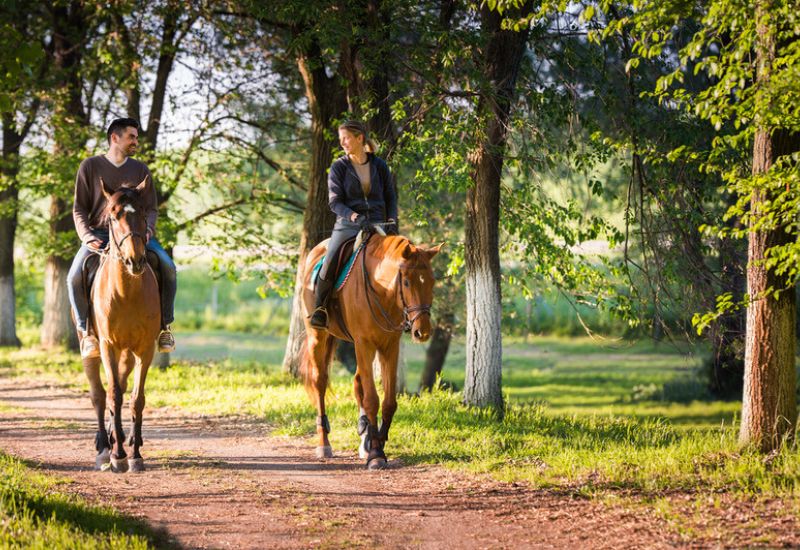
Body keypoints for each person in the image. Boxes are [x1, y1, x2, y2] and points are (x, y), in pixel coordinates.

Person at [68, 118, 177, 359]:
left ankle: (165, 328)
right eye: (132, 137)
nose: (136, 142)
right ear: (114, 138)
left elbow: (151, 209)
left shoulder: (141, 170)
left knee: (168, 268)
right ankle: (87, 333)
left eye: (136, 137)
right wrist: (86, 237)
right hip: (99, 234)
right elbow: (79, 209)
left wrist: (147, 231)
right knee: (74, 277)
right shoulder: (89, 167)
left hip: (137, 235)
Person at [309, 120, 399, 329]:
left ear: (360, 138)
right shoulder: (339, 167)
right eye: (341, 140)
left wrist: (392, 219)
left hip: (380, 223)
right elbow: (334, 202)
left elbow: (390, 196)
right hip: (348, 224)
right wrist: (356, 218)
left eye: (346, 138)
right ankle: (320, 308)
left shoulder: (380, 166)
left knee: (404, 260)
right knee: (330, 259)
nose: (343, 143)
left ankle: (402, 311)